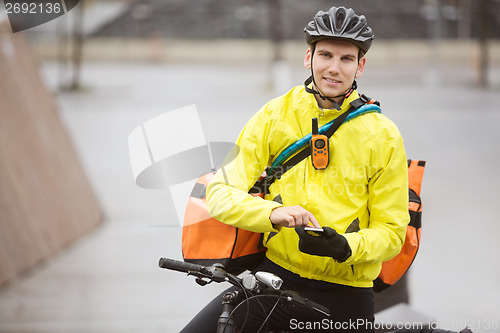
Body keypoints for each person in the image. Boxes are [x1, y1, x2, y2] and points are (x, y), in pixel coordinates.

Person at [181, 6, 409, 332]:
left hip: (345, 295)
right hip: (275, 278)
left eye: (346, 59)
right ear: (308, 57)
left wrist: (345, 246)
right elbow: (219, 193)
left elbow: (392, 233)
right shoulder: (275, 115)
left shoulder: (383, 135)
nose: (333, 68)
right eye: (325, 55)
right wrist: (273, 213)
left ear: (360, 66)